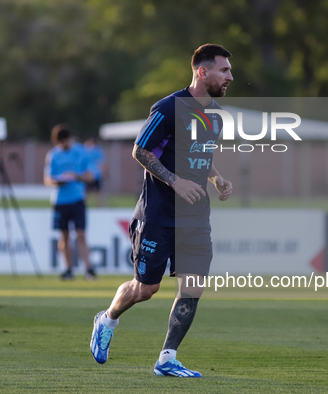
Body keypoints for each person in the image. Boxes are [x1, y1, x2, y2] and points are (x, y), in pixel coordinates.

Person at [90, 44, 234, 377]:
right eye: (224, 70)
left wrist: (217, 178)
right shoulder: (169, 108)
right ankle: (107, 318)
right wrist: (175, 181)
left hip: (196, 218)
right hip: (157, 215)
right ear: (202, 71)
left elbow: (203, 156)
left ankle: (167, 358)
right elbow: (141, 151)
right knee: (146, 289)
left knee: (193, 286)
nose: (230, 76)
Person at [44, 124, 98, 281]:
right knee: (64, 235)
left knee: (81, 234)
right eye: (60, 143)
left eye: (65, 142)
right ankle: (68, 269)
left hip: (77, 199)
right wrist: (58, 181)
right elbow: (48, 179)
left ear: (70, 139)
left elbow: (91, 176)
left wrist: (77, 176)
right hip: (60, 201)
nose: (63, 145)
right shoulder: (53, 155)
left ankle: (89, 269)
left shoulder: (81, 152)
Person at [84, 137, 107, 207]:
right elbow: (102, 163)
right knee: (98, 193)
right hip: (95, 174)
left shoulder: (84, 150)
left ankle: (86, 206)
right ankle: (100, 206)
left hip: (88, 174)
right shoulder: (98, 150)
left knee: (88, 193)